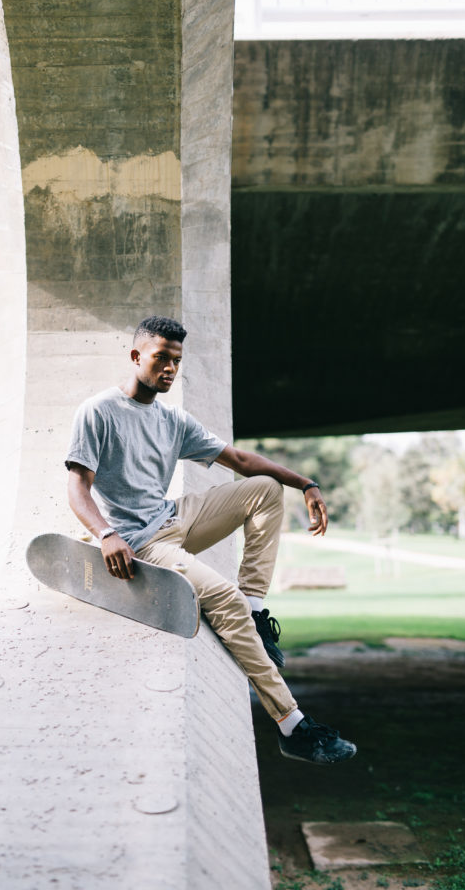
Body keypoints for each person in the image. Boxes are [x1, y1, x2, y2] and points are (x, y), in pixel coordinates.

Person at [65, 315, 356, 765]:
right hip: (141, 541)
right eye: (161, 358)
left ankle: (255, 611)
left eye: (176, 361)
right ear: (136, 355)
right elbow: (78, 488)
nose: (169, 369)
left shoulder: (172, 419)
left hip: (175, 518)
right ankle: (292, 725)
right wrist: (105, 534)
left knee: (264, 489)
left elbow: (239, 459)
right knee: (221, 596)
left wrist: (306, 483)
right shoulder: (98, 411)